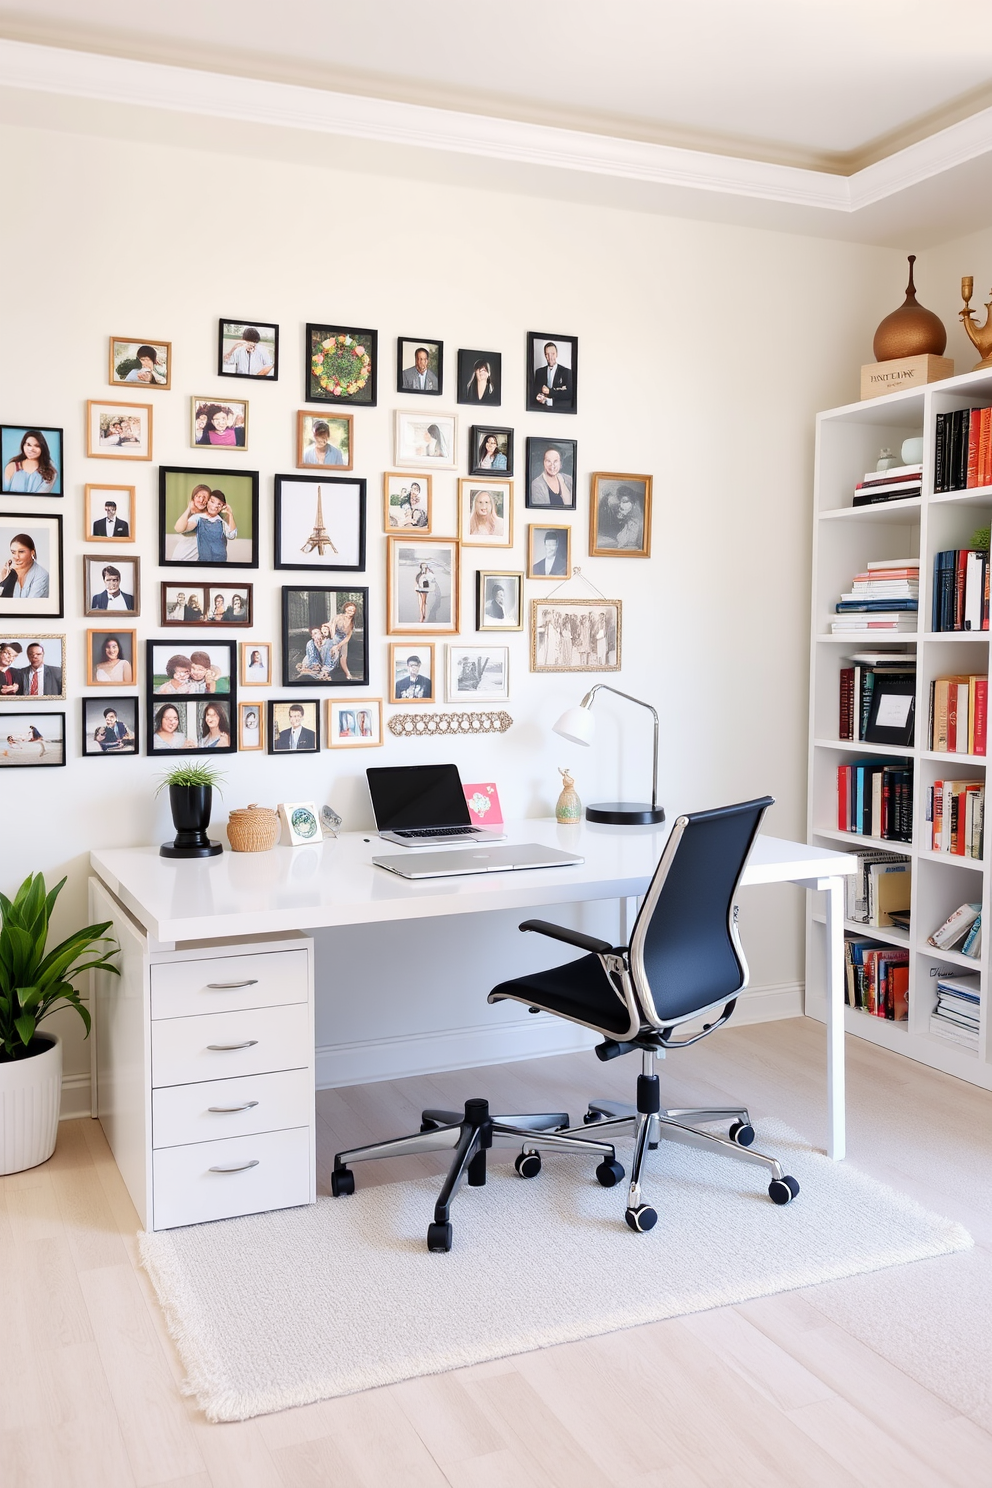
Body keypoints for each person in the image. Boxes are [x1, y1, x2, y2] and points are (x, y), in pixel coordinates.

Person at [176, 489, 238, 563]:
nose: (215, 506)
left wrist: (230, 514)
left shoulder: (222, 522)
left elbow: (232, 535)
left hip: (221, 563)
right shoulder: (198, 518)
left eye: (219, 504)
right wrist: (189, 509)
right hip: (203, 562)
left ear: (222, 507)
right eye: (212, 501)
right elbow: (183, 528)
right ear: (207, 502)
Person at [0, 533, 49, 599]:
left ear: (32, 552)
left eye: (21, 552)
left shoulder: (41, 575)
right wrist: (3, 580)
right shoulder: (12, 572)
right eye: (13, 552)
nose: (16, 557)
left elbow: (30, 606)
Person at [172, 484, 212, 562]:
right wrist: (189, 509)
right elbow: (178, 528)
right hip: (182, 557)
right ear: (193, 498)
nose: (201, 500)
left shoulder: (205, 517)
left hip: (192, 560)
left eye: (204, 497)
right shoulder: (194, 517)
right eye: (198, 496)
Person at [597, 485, 644, 550]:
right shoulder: (612, 515)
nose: (621, 505)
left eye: (625, 502)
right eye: (620, 501)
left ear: (634, 504)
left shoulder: (637, 522)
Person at [533, 341, 573, 410]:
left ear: (557, 354)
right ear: (545, 355)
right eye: (547, 354)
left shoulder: (567, 372)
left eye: (553, 354)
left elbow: (569, 394)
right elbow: (534, 392)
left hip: (559, 410)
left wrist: (550, 392)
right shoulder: (539, 372)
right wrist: (539, 397)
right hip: (541, 410)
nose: (550, 357)